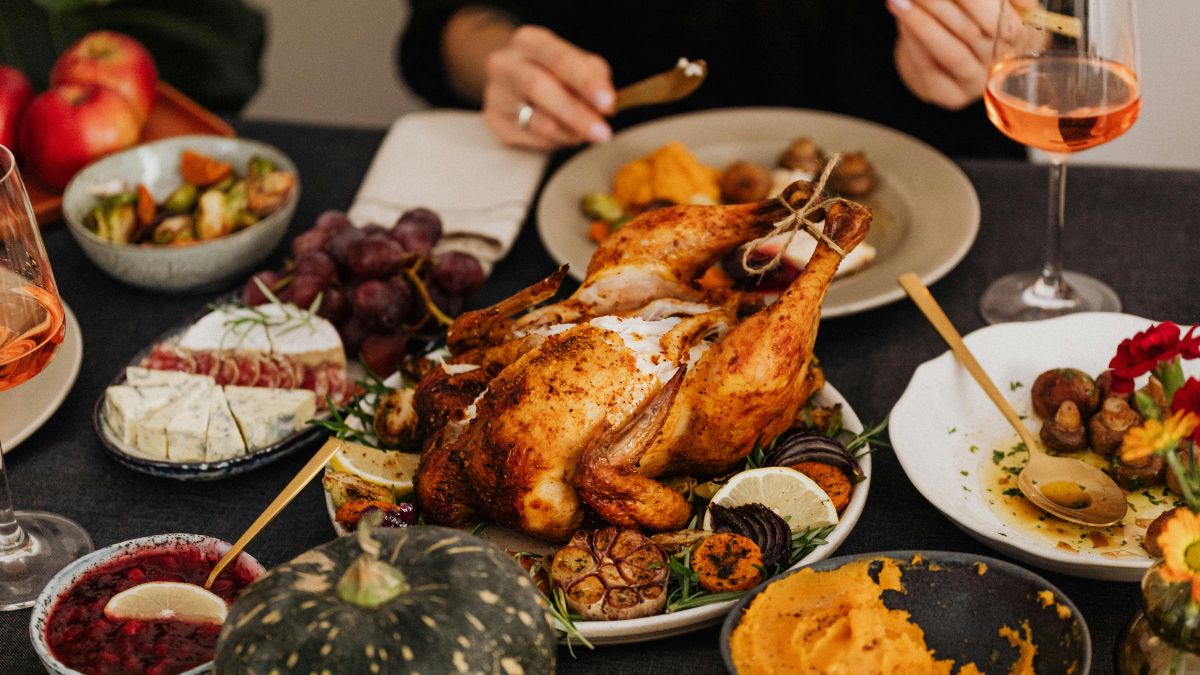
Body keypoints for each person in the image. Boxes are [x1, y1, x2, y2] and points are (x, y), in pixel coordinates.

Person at [400, 0, 1024, 158]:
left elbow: (1053, 26)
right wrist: (502, 61)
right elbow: (442, 26)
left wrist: (1007, 37)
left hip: (936, 173)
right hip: (596, 184)